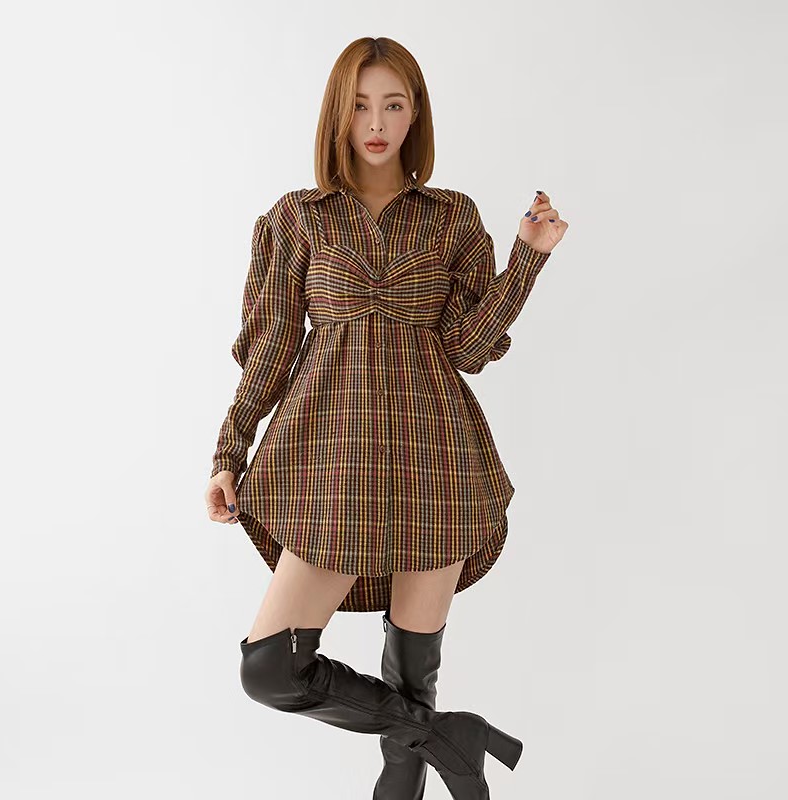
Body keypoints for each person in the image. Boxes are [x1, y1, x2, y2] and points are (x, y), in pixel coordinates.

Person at [204, 36, 568, 800]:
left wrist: (528, 258)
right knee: (271, 668)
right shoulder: (297, 219)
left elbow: (468, 347)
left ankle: (432, 744)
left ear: (415, 114)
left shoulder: (451, 218)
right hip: (332, 468)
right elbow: (271, 348)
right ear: (338, 114)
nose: (376, 123)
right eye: (361, 105)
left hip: (434, 462)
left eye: (393, 105)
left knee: (411, 688)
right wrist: (229, 452)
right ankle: (453, 739)